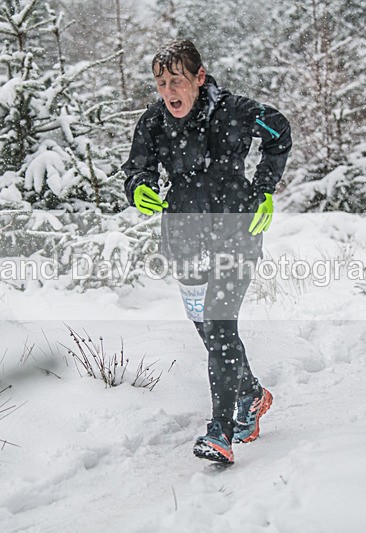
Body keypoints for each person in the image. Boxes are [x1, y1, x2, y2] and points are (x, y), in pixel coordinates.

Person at [121, 40, 291, 464]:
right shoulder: (153, 122)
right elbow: (138, 167)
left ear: (199, 77)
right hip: (185, 236)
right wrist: (140, 187)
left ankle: (221, 432)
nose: (169, 91)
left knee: (218, 324)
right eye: (161, 83)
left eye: (176, 80)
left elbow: (279, 132)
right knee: (209, 329)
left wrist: (264, 189)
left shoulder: (236, 111)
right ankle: (251, 395)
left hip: (236, 231)